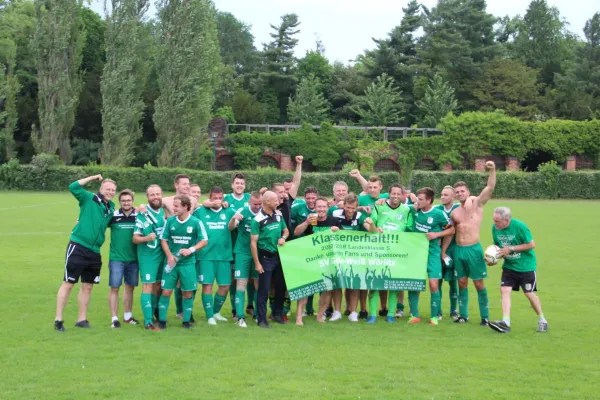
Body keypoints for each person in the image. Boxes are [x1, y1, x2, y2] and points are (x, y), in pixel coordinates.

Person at [54, 175, 117, 332]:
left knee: (88, 286)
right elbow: (73, 186)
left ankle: (81, 319)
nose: (110, 192)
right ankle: (58, 319)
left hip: (95, 252)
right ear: (101, 189)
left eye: (113, 190)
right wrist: (94, 177)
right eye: (107, 189)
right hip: (78, 247)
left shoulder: (111, 207)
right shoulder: (88, 198)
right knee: (68, 283)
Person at [488, 207, 548, 333]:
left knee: (528, 293)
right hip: (509, 267)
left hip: (526, 266)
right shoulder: (495, 229)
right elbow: (498, 248)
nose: (495, 223)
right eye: (494, 220)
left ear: (507, 220)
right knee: (505, 290)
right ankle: (506, 322)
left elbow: (531, 244)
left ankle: (542, 320)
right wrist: (493, 259)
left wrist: (511, 249)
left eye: (497, 221)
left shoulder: (520, 227)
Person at [450, 161, 496, 325]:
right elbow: (450, 231)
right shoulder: (454, 212)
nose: (460, 193)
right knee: (461, 282)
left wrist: (492, 170)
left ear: (468, 192)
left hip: (473, 249)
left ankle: (484, 317)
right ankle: (464, 315)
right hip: (458, 250)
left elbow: (489, 189)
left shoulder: (477, 204)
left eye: (463, 191)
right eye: (457, 192)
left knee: (478, 283)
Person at [158, 195, 208, 329]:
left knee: (187, 293)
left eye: (176, 206)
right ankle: (162, 321)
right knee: (166, 291)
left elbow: (204, 241)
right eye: (173, 205)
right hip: (171, 263)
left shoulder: (196, 222)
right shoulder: (170, 221)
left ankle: (186, 321)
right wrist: (169, 256)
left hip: (188, 264)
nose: (173, 208)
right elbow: (163, 239)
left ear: (185, 207)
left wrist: (191, 249)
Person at [367, 184, 413, 324]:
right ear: (389, 194)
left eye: (398, 194)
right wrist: (374, 227)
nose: (395, 196)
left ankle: (391, 314)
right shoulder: (379, 206)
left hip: (396, 252)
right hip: (379, 250)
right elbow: (371, 226)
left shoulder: (406, 210)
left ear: (402, 195)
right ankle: (372, 314)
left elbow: (409, 231)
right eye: (393, 193)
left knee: (393, 284)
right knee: (375, 283)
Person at [193, 186, 237, 325]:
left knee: (225, 286)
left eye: (220, 198)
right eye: (215, 198)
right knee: (208, 286)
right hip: (206, 255)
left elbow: (237, 221)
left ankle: (216, 311)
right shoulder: (200, 211)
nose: (218, 201)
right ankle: (209, 316)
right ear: (210, 197)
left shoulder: (229, 210)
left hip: (224, 255)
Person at [294, 196, 342, 324]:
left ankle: (320, 316)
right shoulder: (311, 220)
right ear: (314, 208)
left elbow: (342, 241)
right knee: (305, 289)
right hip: (311, 259)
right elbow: (296, 233)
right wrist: (306, 223)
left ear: (328, 208)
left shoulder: (334, 221)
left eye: (323, 207)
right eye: (319, 207)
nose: (321, 209)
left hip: (327, 261)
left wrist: (337, 232)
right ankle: (299, 318)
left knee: (327, 289)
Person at [411, 187, 455, 325]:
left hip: (433, 253)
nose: (418, 201)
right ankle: (414, 315)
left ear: (429, 200)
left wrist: (437, 235)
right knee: (415, 283)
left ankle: (434, 316)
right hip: (416, 253)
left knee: (433, 283)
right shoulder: (414, 211)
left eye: (421, 199)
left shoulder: (438, 214)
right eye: (418, 198)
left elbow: (452, 230)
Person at [251, 191, 290, 328]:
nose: (278, 202)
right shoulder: (257, 220)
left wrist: (283, 238)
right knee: (264, 289)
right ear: (267, 202)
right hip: (265, 258)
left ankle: (277, 314)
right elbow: (253, 243)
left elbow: (286, 231)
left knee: (280, 287)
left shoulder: (278, 215)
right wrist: (257, 263)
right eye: (275, 200)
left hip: (279, 257)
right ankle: (261, 319)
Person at [331, 193, 371, 321]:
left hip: (354, 255)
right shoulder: (335, 214)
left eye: (353, 208)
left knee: (354, 282)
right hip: (338, 253)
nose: (350, 211)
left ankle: (353, 312)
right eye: (348, 207)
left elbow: (370, 231)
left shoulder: (360, 216)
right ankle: (337, 311)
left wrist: (373, 226)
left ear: (356, 207)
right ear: (344, 205)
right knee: (337, 282)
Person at [133, 184, 166, 331]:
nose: (156, 197)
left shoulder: (162, 212)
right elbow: (135, 239)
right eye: (152, 195)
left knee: (158, 286)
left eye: (158, 194)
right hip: (148, 256)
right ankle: (148, 322)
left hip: (162, 254)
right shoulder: (143, 213)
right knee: (147, 286)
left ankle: (152, 314)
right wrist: (146, 238)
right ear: (147, 197)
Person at [228, 191, 263, 328]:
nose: (257, 207)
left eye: (260, 204)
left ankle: (257, 314)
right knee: (241, 284)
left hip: (258, 253)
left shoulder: (264, 213)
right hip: (242, 253)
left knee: (257, 284)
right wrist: (233, 219)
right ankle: (240, 317)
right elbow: (231, 228)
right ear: (249, 202)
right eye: (255, 204)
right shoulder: (242, 211)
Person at [107, 189, 139, 328]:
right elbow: (97, 223)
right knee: (115, 288)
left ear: (133, 201)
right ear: (119, 202)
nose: (126, 203)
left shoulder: (139, 216)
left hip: (133, 259)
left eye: (129, 200)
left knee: (130, 288)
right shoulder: (113, 216)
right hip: (116, 259)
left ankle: (128, 316)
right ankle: (114, 318)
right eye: (123, 200)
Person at [291, 186, 319, 316]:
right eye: (308, 198)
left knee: (313, 278)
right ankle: (298, 309)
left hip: (316, 248)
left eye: (313, 198)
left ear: (317, 197)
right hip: (300, 247)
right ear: (304, 198)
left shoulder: (323, 208)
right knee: (301, 279)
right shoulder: (298, 209)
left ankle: (310, 308)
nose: (311, 200)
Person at [436, 186, 460, 321]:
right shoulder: (437, 209)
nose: (443, 196)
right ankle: (438, 311)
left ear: (453, 197)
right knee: (437, 281)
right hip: (438, 249)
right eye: (442, 194)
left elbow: (473, 201)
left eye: (446, 194)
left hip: (453, 250)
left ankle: (453, 310)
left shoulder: (457, 208)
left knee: (453, 282)